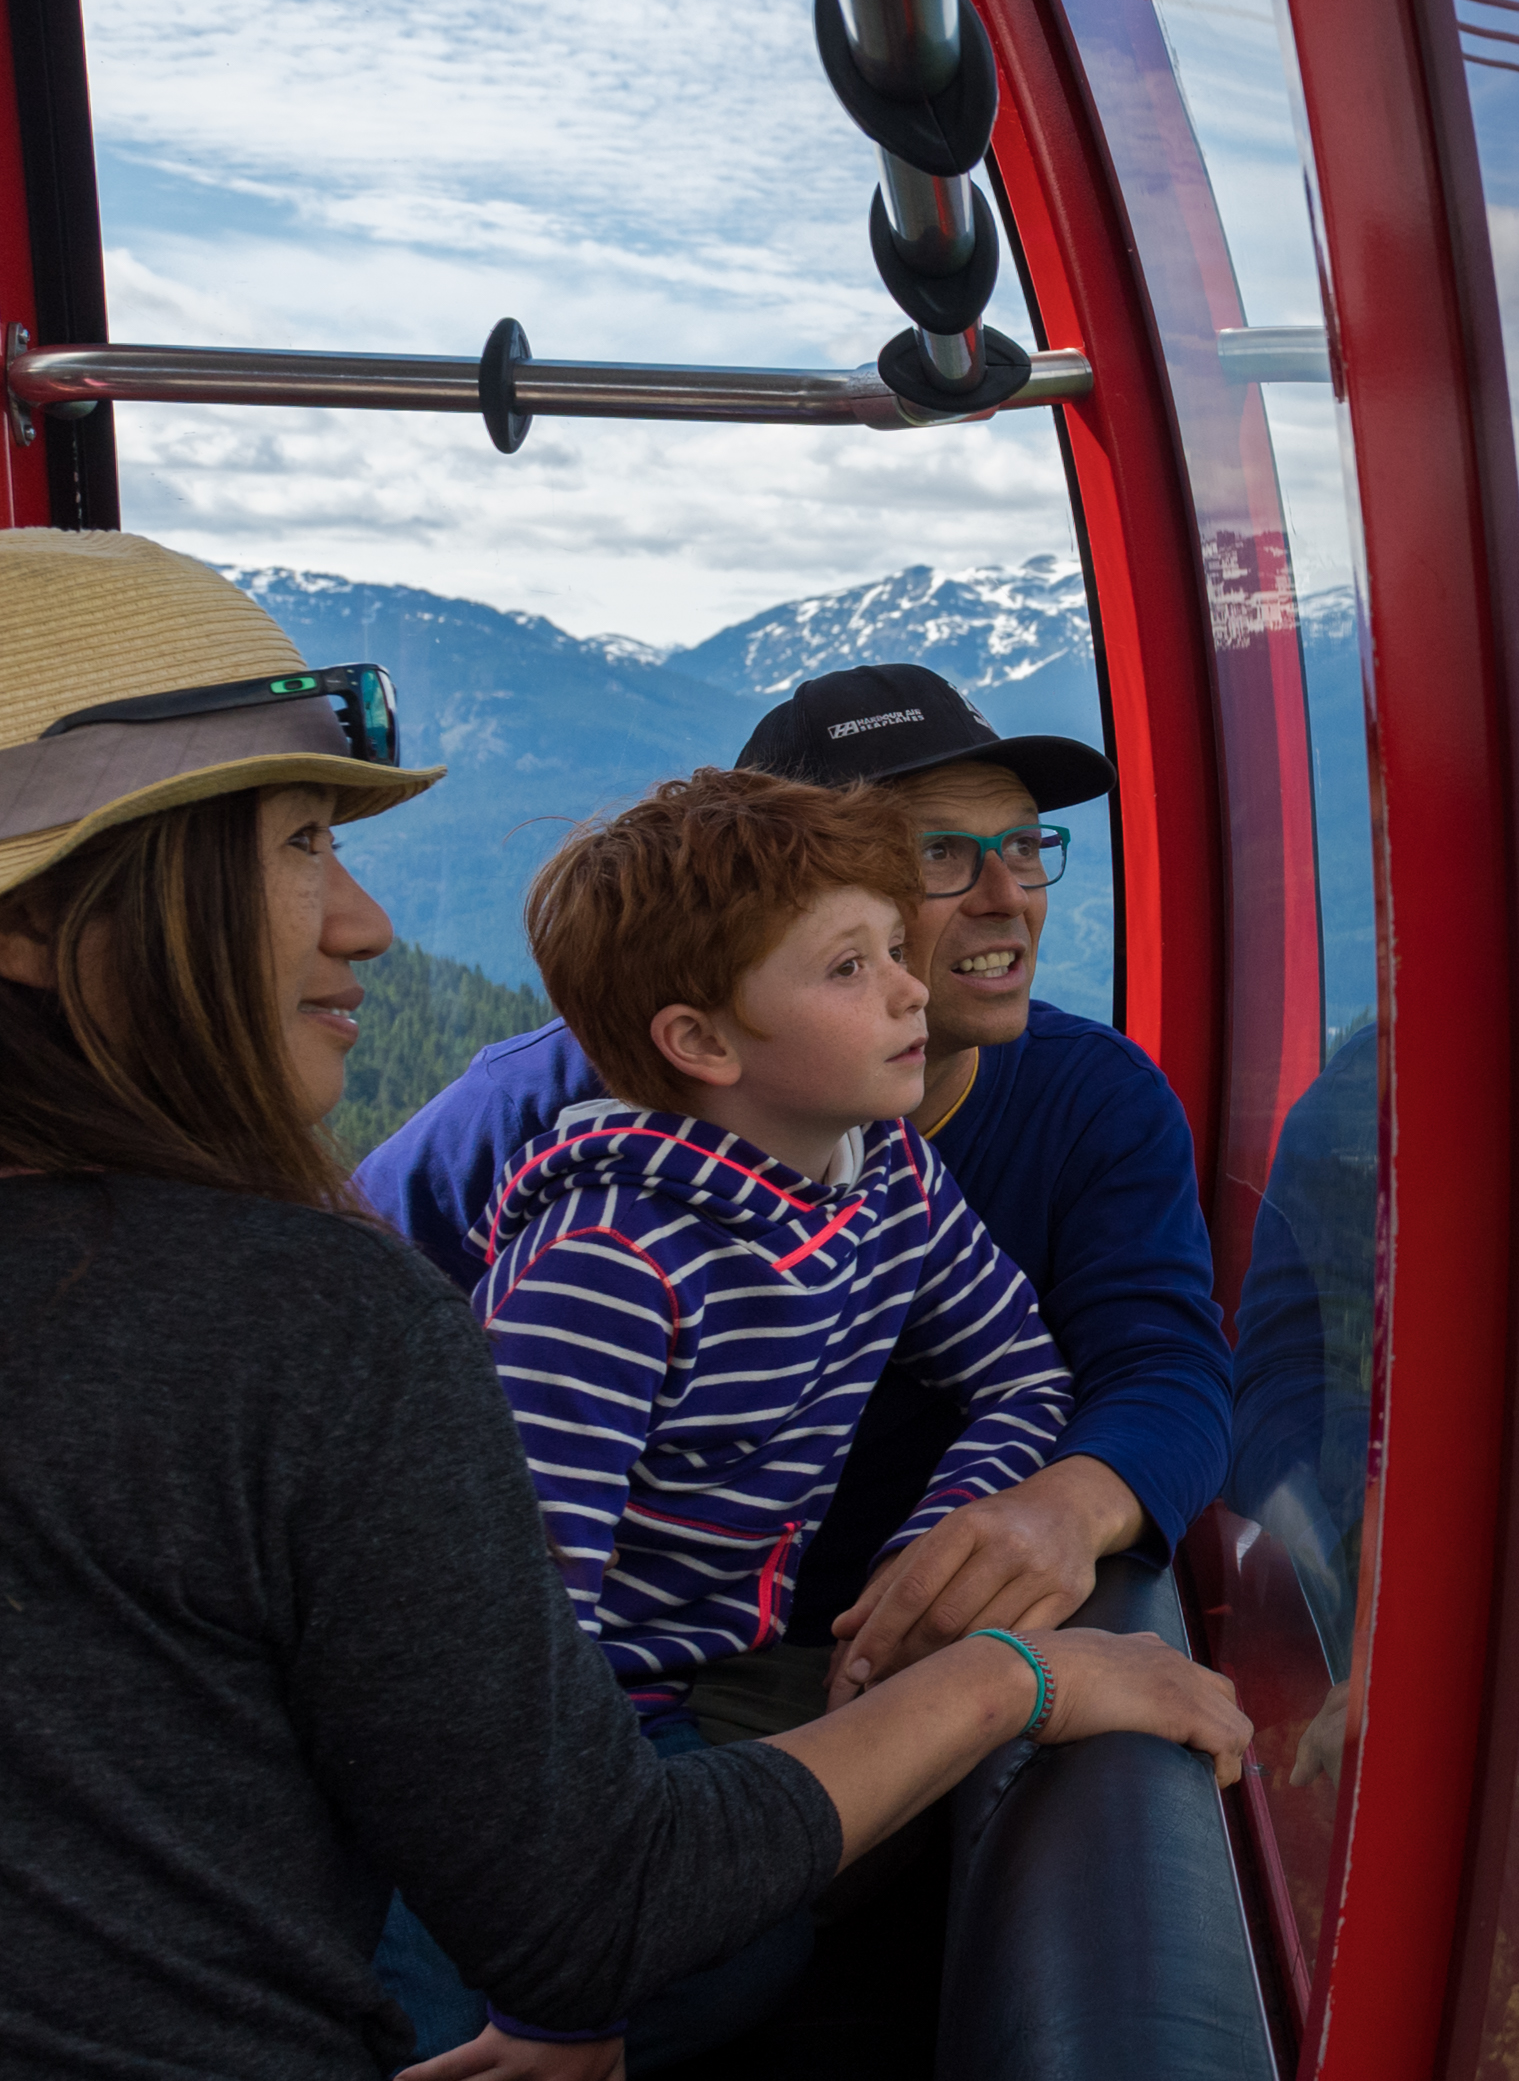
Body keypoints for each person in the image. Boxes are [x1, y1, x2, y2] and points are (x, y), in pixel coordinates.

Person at [0, 529, 1249, 2081]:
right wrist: (1012, 1674)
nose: (365, 923)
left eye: (1023, 849)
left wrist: (1036, 1506)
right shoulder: (475, 1230)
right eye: (292, 846)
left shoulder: (1014, 1130)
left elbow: (1131, 1359)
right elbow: (569, 1810)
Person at [373, 767, 1081, 2081]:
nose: (911, 988)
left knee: (759, 1944)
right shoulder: (609, 1273)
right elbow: (516, 1649)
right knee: (482, 2039)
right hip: (507, 1738)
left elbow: (1020, 1377)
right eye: (847, 966)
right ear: (701, 1040)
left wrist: (945, 1539)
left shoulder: (889, 1185)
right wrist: (562, 1994)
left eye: (892, 946)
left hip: (662, 1704)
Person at [360, 664, 1227, 1728]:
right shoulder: (550, 1122)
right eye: (939, 853)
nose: (1008, 896)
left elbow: (1161, 1363)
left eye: (1022, 844)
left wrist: (1059, 1507)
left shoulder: (1068, 1110)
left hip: (841, 1656)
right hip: (591, 1698)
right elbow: (340, 1331)